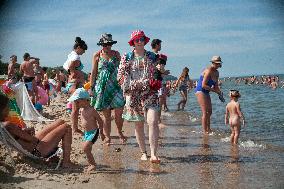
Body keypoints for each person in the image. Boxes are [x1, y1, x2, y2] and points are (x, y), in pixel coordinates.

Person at [117, 30, 160, 163]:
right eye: (137, 40)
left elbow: (158, 73)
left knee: (152, 122)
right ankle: (143, 152)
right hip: (133, 95)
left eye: (141, 39)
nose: (139, 42)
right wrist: (130, 85)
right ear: (133, 43)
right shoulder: (127, 57)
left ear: (145, 40)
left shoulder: (152, 56)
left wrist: (157, 78)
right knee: (139, 125)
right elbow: (120, 76)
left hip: (150, 93)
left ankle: (153, 153)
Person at [0, 93, 74, 168]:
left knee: (60, 121)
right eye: (7, 107)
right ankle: (66, 162)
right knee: (66, 127)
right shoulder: (8, 125)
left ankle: (54, 153)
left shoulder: (3, 125)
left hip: (32, 147)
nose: (9, 109)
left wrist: (23, 131)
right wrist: (27, 133)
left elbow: (18, 138)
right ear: (2, 109)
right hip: (37, 150)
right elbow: (32, 139)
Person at [90, 33, 126, 145]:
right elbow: (94, 72)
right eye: (105, 44)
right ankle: (108, 137)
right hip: (102, 87)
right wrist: (91, 88)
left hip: (116, 86)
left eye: (109, 44)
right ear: (101, 44)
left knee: (119, 114)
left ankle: (120, 131)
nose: (107, 46)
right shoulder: (97, 55)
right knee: (106, 116)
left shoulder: (117, 54)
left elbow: (122, 70)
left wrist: (125, 83)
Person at [67, 88, 103, 172]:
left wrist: (102, 132)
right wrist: (78, 130)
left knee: (85, 148)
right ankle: (90, 163)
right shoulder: (82, 109)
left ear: (86, 100)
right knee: (87, 149)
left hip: (94, 132)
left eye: (78, 101)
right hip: (87, 133)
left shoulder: (92, 110)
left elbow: (100, 121)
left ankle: (93, 165)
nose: (76, 103)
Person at [63, 37, 88, 140]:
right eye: (83, 50)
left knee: (76, 107)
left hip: (74, 83)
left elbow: (67, 66)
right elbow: (70, 65)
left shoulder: (72, 54)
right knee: (76, 107)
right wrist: (73, 73)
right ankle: (75, 128)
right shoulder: (75, 56)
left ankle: (77, 127)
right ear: (78, 47)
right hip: (74, 84)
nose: (83, 52)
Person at [195, 56, 223, 134]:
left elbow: (216, 86)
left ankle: (209, 129)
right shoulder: (208, 71)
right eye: (216, 64)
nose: (218, 65)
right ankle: (205, 131)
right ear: (213, 63)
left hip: (206, 91)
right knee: (205, 112)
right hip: (200, 90)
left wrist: (219, 93)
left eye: (219, 64)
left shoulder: (217, 73)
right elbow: (203, 85)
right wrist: (214, 91)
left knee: (210, 111)